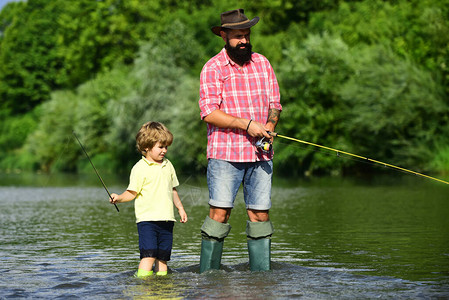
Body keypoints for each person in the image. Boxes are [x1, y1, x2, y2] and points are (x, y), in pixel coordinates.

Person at [198, 8, 281, 272]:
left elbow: (275, 104)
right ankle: (208, 278)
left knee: (260, 215)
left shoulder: (263, 63)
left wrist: (269, 125)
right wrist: (247, 125)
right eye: (238, 36)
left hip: (261, 155)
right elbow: (209, 112)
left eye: (246, 35)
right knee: (219, 214)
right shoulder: (212, 68)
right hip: (225, 154)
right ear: (224, 36)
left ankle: (261, 279)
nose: (244, 41)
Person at [109, 121, 188, 278]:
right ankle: (142, 285)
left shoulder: (168, 165)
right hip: (147, 221)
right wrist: (118, 198)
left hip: (167, 220)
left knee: (163, 257)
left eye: (166, 147)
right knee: (149, 254)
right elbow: (131, 193)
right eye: (161, 147)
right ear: (146, 147)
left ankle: (162, 286)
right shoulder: (139, 168)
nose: (164, 150)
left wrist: (180, 208)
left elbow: (173, 190)